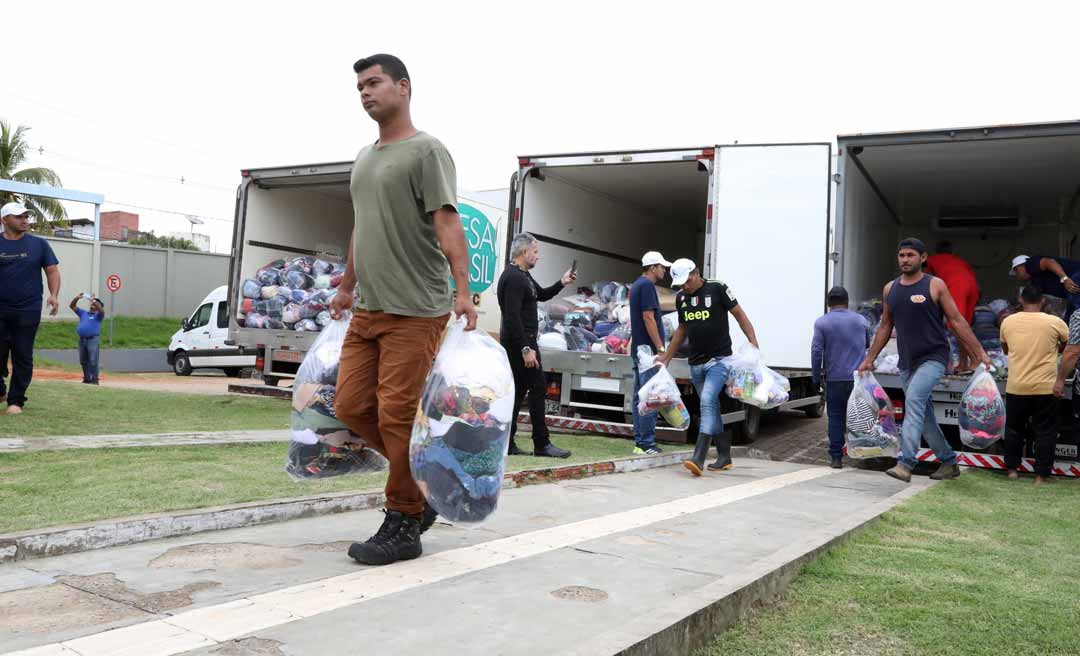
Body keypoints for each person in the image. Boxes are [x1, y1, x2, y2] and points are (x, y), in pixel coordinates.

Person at [328, 54, 476, 566]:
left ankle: (404, 522)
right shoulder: (364, 158)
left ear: (403, 88)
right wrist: (346, 287)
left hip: (416, 308)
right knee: (349, 407)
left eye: (374, 83)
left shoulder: (427, 151)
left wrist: (464, 290)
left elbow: (447, 222)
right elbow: (360, 228)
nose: (365, 93)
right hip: (368, 308)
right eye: (359, 87)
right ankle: (424, 484)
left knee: (395, 416)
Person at [859, 238, 990, 482]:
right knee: (926, 417)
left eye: (910, 255)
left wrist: (979, 353)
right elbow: (885, 326)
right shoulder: (891, 289)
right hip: (907, 361)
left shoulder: (935, 285)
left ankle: (906, 462)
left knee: (915, 402)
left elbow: (957, 320)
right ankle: (949, 462)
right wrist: (869, 359)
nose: (905, 259)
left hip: (934, 358)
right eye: (902, 255)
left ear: (923, 258)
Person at [657, 259, 758, 475]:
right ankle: (724, 456)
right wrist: (666, 356)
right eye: (680, 283)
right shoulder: (682, 298)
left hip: (720, 360)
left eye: (686, 281)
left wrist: (753, 343)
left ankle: (699, 457)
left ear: (696, 273)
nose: (684, 286)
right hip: (696, 363)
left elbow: (740, 315)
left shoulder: (717, 288)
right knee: (711, 408)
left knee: (707, 402)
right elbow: (682, 330)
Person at [497, 233, 574, 458]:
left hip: (523, 342)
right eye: (535, 251)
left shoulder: (524, 276)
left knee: (518, 391)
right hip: (520, 344)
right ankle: (542, 444)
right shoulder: (513, 277)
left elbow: (541, 294)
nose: (538, 256)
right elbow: (511, 318)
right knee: (538, 387)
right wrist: (526, 349)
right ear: (524, 252)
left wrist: (562, 282)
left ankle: (507, 443)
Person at [1000, 286, 1067, 485]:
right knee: (1045, 432)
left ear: (1021, 300)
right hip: (1045, 387)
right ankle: (1040, 476)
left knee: (1013, 430)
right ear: (1043, 301)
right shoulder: (1055, 322)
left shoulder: (1008, 321)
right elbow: (1068, 345)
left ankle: (1012, 470)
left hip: (1016, 385)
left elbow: (1005, 348)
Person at [0, 201, 61, 415]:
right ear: (4, 220)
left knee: (22, 355)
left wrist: (53, 296)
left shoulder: (39, 245)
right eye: (19, 217)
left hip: (28, 309)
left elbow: (52, 271)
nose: (24, 220)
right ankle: (1, 390)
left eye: (26, 216)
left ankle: (16, 401)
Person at [810, 286, 869, 469]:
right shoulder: (861, 321)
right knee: (860, 417)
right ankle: (864, 455)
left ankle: (836, 458)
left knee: (835, 418)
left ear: (828, 304)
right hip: (857, 380)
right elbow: (867, 344)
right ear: (847, 302)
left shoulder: (822, 323)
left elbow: (816, 351)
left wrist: (815, 377)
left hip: (835, 379)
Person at [629, 251, 672, 455]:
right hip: (648, 352)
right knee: (650, 397)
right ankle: (647, 443)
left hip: (640, 350)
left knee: (640, 396)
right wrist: (661, 349)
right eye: (662, 266)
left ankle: (640, 442)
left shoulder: (638, 284)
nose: (664, 269)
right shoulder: (646, 286)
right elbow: (648, 318)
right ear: (653, 267)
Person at [925, 241, 980, 372]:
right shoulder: (960, 261)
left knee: (956, 327)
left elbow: (926, 283)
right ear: (951, 252)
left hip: (957, 286)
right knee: (964, 326)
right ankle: (963, 364)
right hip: (972, 288)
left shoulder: (931, 260)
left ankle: (975, 360)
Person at [1010, 254, 1080, 319]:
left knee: (1077, 309)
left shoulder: (1029, 264)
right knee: (1069, 320)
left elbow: (1048, 262)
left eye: (1016, 272)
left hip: (1074, 277)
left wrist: (1065, 278)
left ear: (1019, 267)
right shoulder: (1036, 282)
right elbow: (1038, 300)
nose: (1017, 276)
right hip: (1070, 292)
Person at [70, 294, 105, 385]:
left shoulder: (99, 316)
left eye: (97, 303)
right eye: (93, 302)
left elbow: (102, 311)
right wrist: (77, 298)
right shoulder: (83, 313)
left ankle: (95, 379)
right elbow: (72, 306)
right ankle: (87, 379)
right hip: (82, 339)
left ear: (99, 306)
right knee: (83, 360)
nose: (94, 304)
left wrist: (93, 301)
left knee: (93, 360)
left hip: (92, 339)